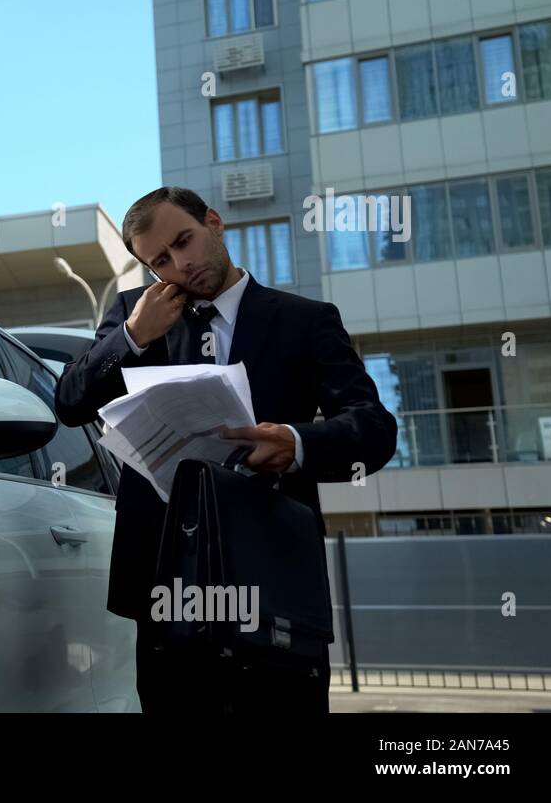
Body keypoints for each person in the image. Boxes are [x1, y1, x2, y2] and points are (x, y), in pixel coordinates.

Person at [54, 186, 397, 712]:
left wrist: (297, 442)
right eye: (159, 261)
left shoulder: (305, 319)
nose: (179, 265)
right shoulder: (133, 314)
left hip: (273, 580)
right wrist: (131, 338)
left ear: (213, 222)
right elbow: (70, 403)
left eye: (184, 242)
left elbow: (374, 428)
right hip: (168, 585)